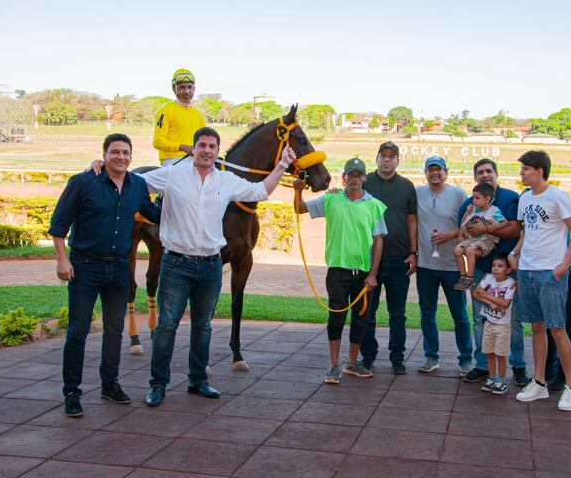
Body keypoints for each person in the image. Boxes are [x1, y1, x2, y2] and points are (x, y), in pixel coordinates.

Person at [141, 127, 297, 406]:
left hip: (210, 265)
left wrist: (283, 164)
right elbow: (134, 182)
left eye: (212, 146)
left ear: (217, 151)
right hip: (176, 262)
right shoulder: (173, 175)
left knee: (203, 326)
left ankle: (198, 380)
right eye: (202, 145)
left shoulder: (226, 180)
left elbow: (261, 190)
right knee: (166, 327)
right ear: (194, 148)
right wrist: (103, 165)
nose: (207, 150)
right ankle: (158, 384)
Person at [48, 133, 160, 417]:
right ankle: (72, 392)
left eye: (125, 152)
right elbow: (58, 225)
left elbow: (155, 213)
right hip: (84, 266)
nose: (120, 157)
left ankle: (109, 384)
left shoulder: (137, 185)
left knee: (114, 330)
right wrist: (62, 261)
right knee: (78, 330)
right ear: (104, 154)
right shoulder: (84, 182)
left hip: (119, 268)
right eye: (115, 152)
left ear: (131, 157)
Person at [295, 158, 387, 384]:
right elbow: (300, 208)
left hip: (364, 273)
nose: (355, 179)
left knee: (361, 319)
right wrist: (298, 192)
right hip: (337, 271)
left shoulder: (374, 205)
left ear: (365, 178)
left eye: (359, 175)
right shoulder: (331, 199)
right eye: (350, 175)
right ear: (344, 178)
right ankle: (334, 365)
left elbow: (378, 242)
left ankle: (352, 362)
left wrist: (373, 274)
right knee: (336, 318)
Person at [509, 150, 571, 411]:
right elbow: (528, 231)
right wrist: (515, 253)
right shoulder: (525, 198)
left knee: (558, 329)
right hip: (527, 270)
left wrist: (563, 265)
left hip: (549, 272)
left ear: (539, 170)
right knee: (537, 328)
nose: (521, 173)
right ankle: (538, 382)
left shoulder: (558, 196)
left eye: (525, 169)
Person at [458, 159, 529, 387]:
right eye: (480, 172)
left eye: (489, 171)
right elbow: (463, 231)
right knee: (480, 318)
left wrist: (486, 229)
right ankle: (482, 365)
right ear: (475, 177)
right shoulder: (471, 203)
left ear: (496, 174)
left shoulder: (510, 198)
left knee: (513, 319)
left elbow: (514, 228)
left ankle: (518, 366)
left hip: (508, 271)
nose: (485, 175)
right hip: (480, 269)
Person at [360, 141, 417, 375]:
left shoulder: (406, 186)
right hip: (368, 260)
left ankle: (397, 357)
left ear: (397, 161)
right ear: (376, 159)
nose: (387, 159)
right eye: (383, 155)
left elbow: (412, 220)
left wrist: (413, 252)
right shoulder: (366, 182)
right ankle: (368, 356)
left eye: (392, 156)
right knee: (367, 312)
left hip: (398, 259)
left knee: (397, 314)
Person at [415, 156, 473, 376]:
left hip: (452, 266)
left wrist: (450, 235)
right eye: (431, 170)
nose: (435, 174)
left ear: (446, 172)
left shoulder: (458, 194)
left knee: (459, 315)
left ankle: (465, 359)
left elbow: (469, 227)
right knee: (427, 313)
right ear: (426, 172)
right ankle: (431, 356)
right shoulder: (418, 193)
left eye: (439, 170)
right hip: (425, 265)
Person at [545, 235, 571, 392]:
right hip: (549, 273)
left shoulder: (560, 212)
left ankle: (563, 376)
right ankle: (548, 371)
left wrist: (563, 267)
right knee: (549, 325)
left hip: (569, 273)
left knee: (565, 327)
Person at [472, 254, 516, 395]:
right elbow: (476, 294)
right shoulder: (488, 278)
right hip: (489, 323)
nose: (496, 269)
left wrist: (486, 295)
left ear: (508, 270)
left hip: (502, 325)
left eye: (500, 266)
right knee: (489, 352)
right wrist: (491, 302)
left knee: (500, 354)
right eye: (494, 266)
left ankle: (502, 381)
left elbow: (505, 303)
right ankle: (492, 378)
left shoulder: (510, 283)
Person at [453, 182, 508, 290]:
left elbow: (505, 222)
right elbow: (463, 224)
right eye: (474, 198)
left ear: (487, 199)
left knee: (469, 251)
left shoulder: (494, 211)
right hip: (474, 239)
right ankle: (463, 276)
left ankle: (470, 277)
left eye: (477, 198)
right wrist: (467, 213)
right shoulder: (474, 210)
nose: (474, 201)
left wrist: (495, 228)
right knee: (457, 251)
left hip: (487, 240)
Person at [153, 68, 206, 166]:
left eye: (190, 87)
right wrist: (182, 147)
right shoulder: (165, 111)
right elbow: (158, 142)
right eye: (182, 87)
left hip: (194, 159)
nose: (187, 91)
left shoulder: (198, 114)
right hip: (173, 160)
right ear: (174, 89)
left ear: (194, 89)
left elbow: (205, 139)